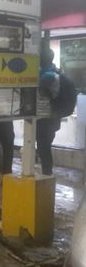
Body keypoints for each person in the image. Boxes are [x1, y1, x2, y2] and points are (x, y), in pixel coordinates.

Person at [37, 47, 76, 175]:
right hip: (54, 117)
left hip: (45, 118)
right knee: (45, 145)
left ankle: (46, 174)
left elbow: (36, 90)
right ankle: (46, 172)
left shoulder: (46, 76)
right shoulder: (56, 72)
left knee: (44, 148)